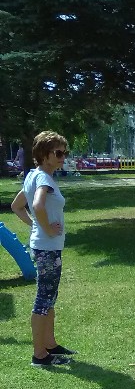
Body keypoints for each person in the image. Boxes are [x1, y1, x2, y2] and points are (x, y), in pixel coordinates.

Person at [10, 131, 76, 367]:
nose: (63, 157)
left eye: (64, 152)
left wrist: (36, 226)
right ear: (44, 155)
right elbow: (37, 205)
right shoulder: (43, 180)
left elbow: (17, 206)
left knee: (49, 297)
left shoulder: (34, 176)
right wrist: (46, 228)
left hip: (46, 247)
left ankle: (50, 344)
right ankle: (39, 355)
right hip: (47, 248)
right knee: (44, 299)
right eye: (58, 153)